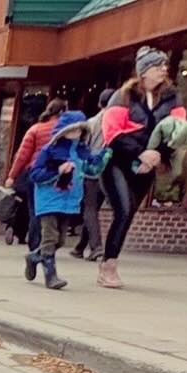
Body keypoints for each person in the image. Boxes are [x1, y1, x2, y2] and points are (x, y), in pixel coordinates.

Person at [99, 47, 187, 288]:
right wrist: (141, 151)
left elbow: (179, 132)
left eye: (165, 65)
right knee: (124, 210)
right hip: (117, 161)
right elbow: (112, 134)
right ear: (144, 71)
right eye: (158, 65)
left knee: (128, 216)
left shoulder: (172, 97)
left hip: (148, 165)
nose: (163, 69)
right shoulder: (123, 96)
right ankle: (109, 266)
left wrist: (158, 155)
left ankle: (109, 261)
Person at [27, 110, 100, 290]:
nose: (75, 134)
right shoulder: (50, 150)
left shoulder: (83, 151)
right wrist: (57, 171)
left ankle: (35, 257)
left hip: (69, 200)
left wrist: (102, 159)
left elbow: (91, 168)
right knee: (50, 237)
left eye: (79, 130)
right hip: (49, 199)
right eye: (71, 130)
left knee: (60, 240)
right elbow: (35, 174)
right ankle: (50, 275)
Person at [6, 98, 68, 262]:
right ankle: (50, 245)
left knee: (36, 212)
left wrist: (12, 176)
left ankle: (35, 247)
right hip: (60, 174)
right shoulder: (66, 131)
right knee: (56, 210)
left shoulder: (36, 129)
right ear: (62, 112)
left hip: (36, 173)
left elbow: (22, 154)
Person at [72, 87, 115, 261]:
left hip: (92, 170)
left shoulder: (92, 123)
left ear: (100, 103)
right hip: (110, 171)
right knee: (93, 208)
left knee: (89, 209)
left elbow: (83, 147)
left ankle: (96, 247)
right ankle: (80, 246)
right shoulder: (119, 123)